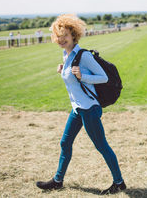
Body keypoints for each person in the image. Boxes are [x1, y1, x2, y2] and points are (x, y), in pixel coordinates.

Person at [36, 14, 126, 195]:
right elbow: (73, 78)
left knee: (101, 146)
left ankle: (119, 183)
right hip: (77, 109)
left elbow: (104, 77)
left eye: (65, 36)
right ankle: (58, 180)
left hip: (89, 109)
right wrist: (64, 70)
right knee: (65, 143)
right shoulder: (66, 54)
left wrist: (82, 76)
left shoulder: (83, 56)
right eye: (58, 36)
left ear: (74, 35)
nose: (61, 40)